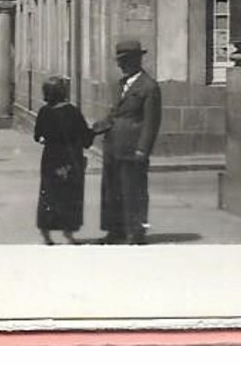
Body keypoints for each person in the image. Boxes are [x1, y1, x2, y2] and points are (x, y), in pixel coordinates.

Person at [90, 39, 161, 244]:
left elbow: (151, 122)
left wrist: (143, 149)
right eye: (119, 60)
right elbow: (113, 115)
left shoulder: (149, 86)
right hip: (113, 146)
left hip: (133, 149)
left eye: (124, 60)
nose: (120, 65)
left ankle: (135, 233)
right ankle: (115, 231)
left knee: (133, 191)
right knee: (111, 191)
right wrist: (91, 131)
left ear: (135, 60)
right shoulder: (120, 85)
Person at [34, 75, 93, 245]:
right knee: (70, 196)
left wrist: (47, 139)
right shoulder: (72, 111)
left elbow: (37, 136)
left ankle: (46, 233)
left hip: (50, 158)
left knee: (49, 195)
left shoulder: (44, 111)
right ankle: (69, 233)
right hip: (70, 157)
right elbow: (84, 136)